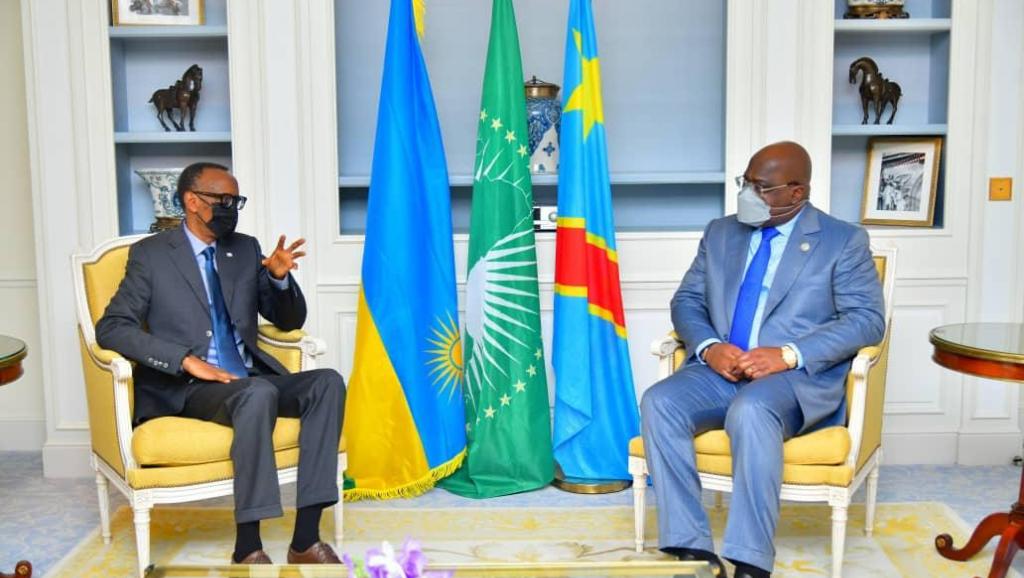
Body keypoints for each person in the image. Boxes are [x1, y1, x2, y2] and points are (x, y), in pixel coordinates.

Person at [640, 142, 885, 578]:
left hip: (792, 380)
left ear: (797, 192)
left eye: (761, 187)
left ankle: (751, 559)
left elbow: (866, 321)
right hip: (720, 370)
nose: (748, 195)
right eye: (746, 183)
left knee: (750, 410)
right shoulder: (720, 233)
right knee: (660, 401)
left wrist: (789, 355)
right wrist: (710, 347)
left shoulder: (842, 241)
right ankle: (690, 545)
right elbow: (687, 301)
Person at [96, 162, 346, 565]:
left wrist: (280, 279)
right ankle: (248, 547)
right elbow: (112, 328)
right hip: (190, 388)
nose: (232, 208)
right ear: (192, 201)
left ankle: (305, 540)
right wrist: (185, 360)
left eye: (236, 200)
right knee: (257, 392)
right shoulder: (152, 255)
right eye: (223, 200)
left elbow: (287, 321)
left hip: (248, 379)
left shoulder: (244, 249)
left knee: (326, 382)